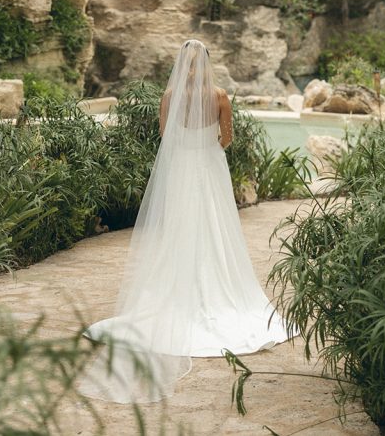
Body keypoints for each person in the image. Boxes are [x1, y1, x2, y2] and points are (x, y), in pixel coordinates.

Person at [78, 39, 292, 403]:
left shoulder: (170, 96)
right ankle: (215, 285)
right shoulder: (220, 96)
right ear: (208, 63)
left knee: (178, 228)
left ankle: (175, 289)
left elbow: (166, 136)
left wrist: (189, 148)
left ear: (181, 64)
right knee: (214, 227)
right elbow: (227, 138)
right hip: (209, 168)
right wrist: (206, 150)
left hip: (180, 168)